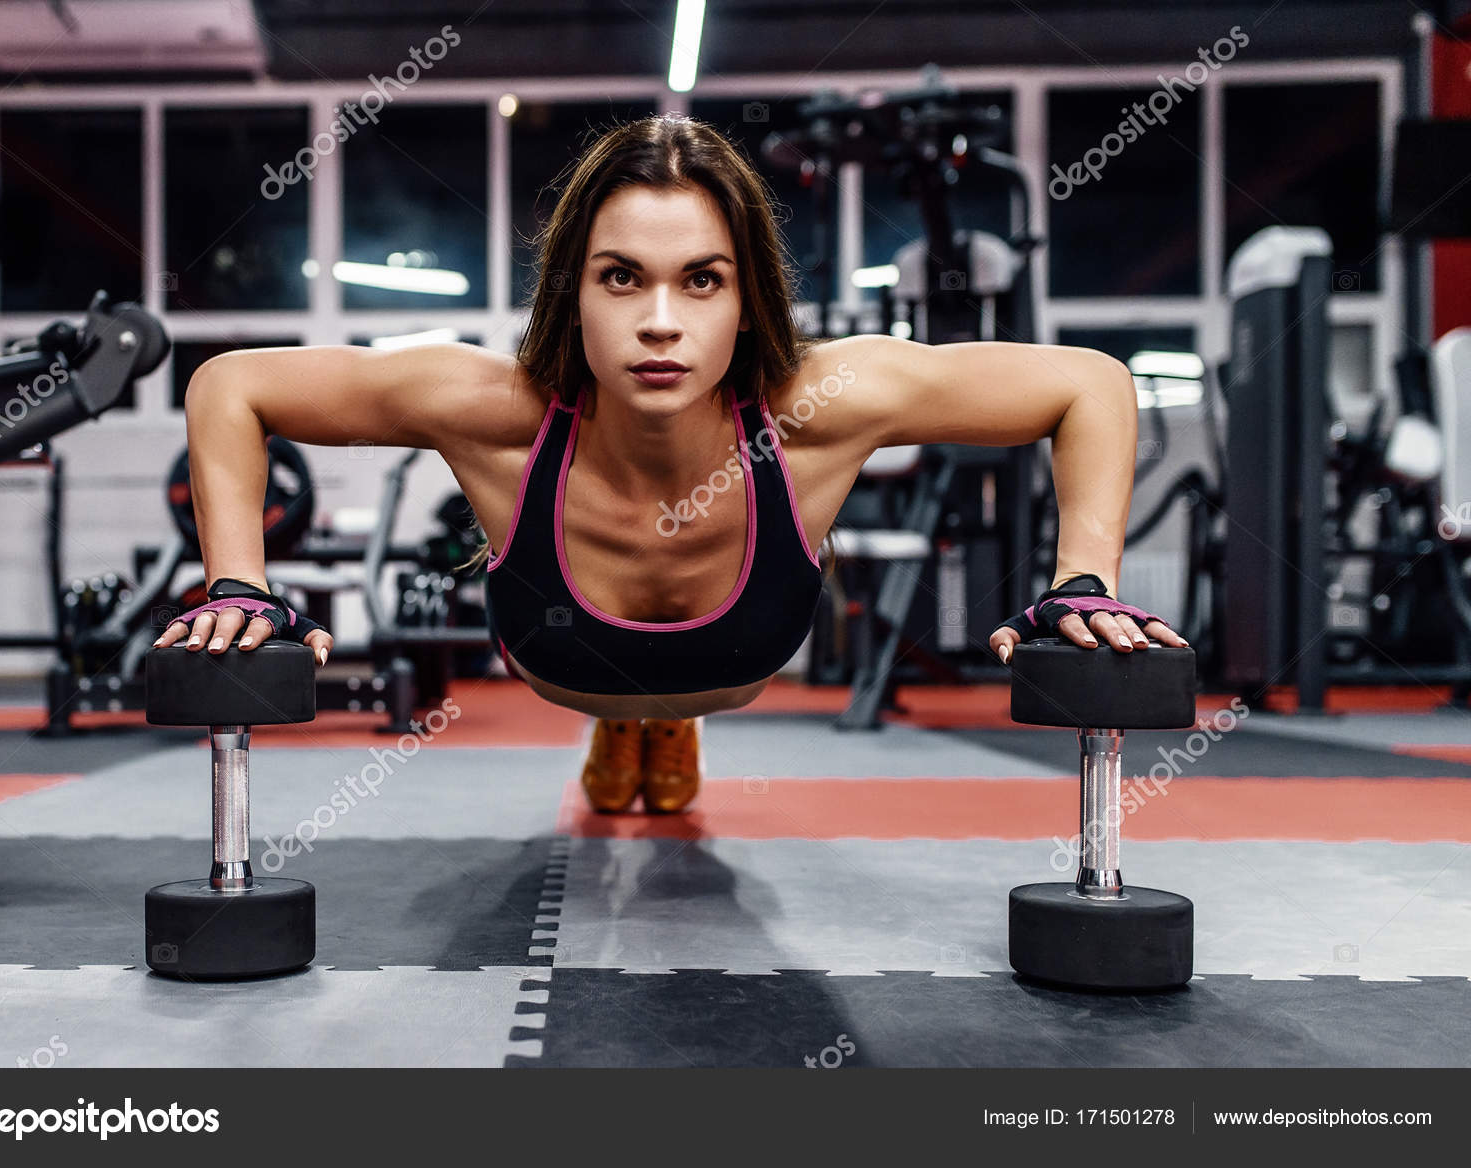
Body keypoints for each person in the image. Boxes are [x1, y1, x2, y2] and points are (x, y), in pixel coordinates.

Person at [153, 113, 1187, 815]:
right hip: (566, 671)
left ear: (747, 301)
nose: (658, 323)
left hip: (730, 668)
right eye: (620, 278)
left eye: (701, 280)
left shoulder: (823, 405)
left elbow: (1088, 384)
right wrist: (240, 582)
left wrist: (1080, 581)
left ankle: (665, 721)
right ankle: (635, 726)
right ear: (572, 292)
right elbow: (228, 385)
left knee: (660, 710)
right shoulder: (492, 410)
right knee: (622, 712)